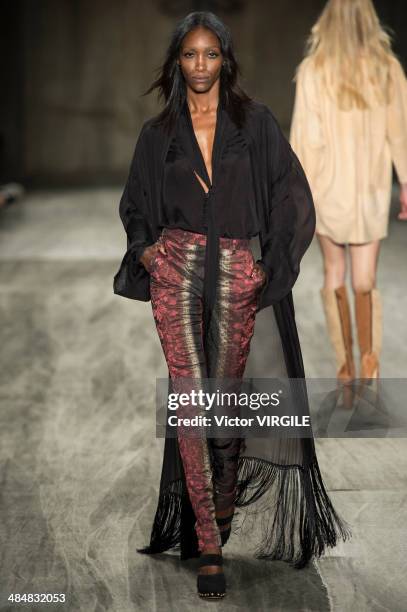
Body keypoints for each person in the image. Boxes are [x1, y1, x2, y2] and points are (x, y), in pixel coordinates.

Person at [113, 11, 349, 600]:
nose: (199, 66)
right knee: (192, 402)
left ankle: (221, 494)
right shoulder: (157, 134)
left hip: (237, 271)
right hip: (176, 270)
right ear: (176, 62)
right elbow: (136, 202)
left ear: (225, 59)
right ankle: (210, 543)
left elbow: (291, 194)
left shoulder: (256, 123)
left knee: (224, 399)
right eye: (189, 55)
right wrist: (145, 254)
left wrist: (266, 263)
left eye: (210, 55)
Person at [290, 0, 407, 394]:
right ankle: (369, 374)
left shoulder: (313, 71)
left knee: (334, 274)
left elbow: (304, 141)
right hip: (370, 192)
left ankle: (345, 374)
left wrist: (296, 195)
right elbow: (400, 134)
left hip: (325, 191)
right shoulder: (387, 69)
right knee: (365, 279)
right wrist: (406, 183)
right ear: (368, 19)